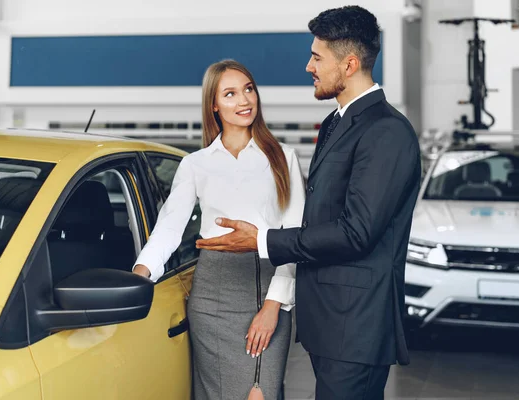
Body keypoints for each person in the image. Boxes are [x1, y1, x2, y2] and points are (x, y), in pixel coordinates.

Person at [196, 6, 422, 400]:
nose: (308, 66)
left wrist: (263, 240)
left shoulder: (385, 131)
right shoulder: (338, 122)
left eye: (317, 57)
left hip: (356, 327)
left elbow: (357, 232)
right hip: (332, 324)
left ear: (349, 64)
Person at [133, 59, 306, 399]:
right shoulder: (195, 164)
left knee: (260, 394)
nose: (244, 101)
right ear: (214, 105)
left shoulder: (283, 158)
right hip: (212, 296)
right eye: (230, 94)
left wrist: (273, 306)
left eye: (248, 89)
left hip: (266, 287)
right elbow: (169, 229)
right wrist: (138, 276)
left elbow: (295, 236)